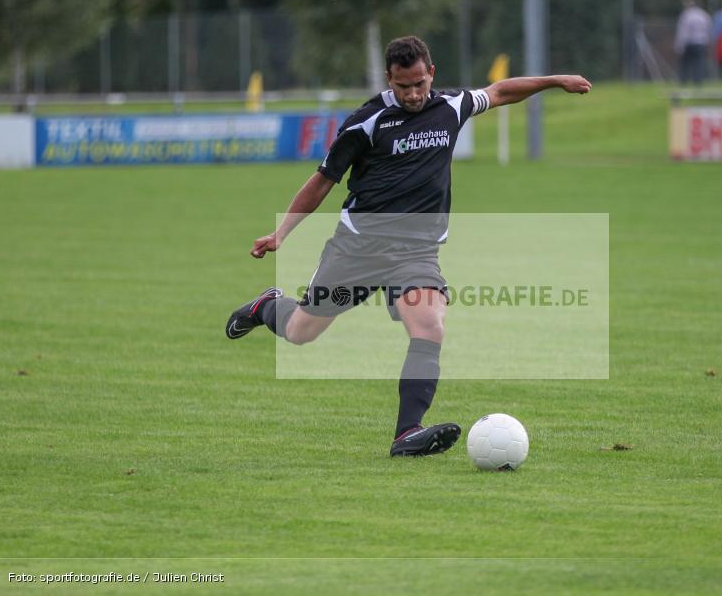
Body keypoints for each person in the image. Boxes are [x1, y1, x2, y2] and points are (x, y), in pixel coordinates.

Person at [225, 36, 591, 457]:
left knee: (430, 324)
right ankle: (265, 306)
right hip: (357, 250)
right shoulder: (366, 122)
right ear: (389, 80)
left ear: (431, 73)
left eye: (419, 83)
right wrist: (282, 233)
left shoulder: (451, 106)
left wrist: (555, 80)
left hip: (416, 254)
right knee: (301, 331)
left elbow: (500, 91)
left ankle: (406, 433)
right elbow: (323, 179)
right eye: (403, 87)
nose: (414, 94)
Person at [674, 0, 712, 87]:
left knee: (685, 64)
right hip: (701, 43)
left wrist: (679, 45)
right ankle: (698, 82)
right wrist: (707, 42)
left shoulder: (686, 15)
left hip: (689, 43)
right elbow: (708, 30)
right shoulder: (704, 15)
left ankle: (683, 82)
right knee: (698, 63)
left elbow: (683, 32)